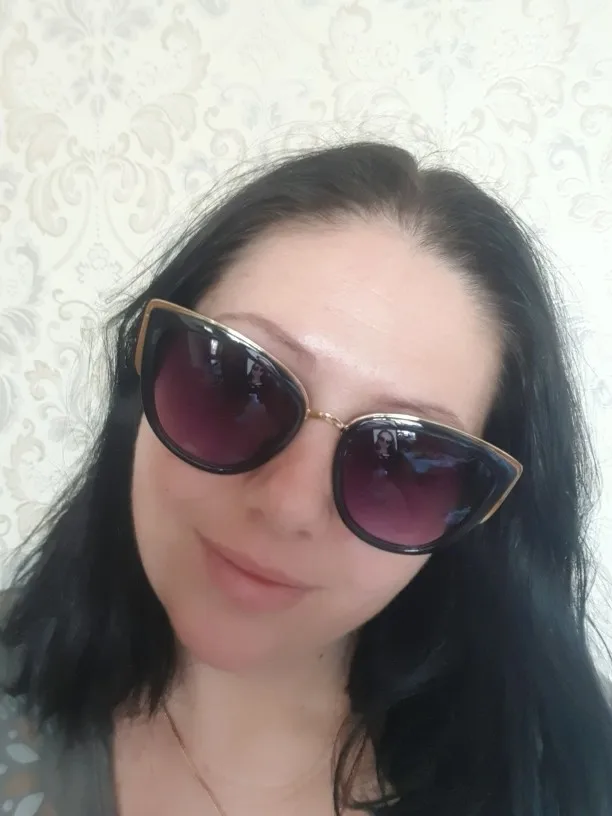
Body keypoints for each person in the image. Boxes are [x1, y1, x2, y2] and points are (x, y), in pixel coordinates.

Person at [1, 141, 611, 815]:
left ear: (477, 517)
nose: (289, 505)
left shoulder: (572, 778)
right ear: (143, 371)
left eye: (406, 462)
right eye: (235, 386)